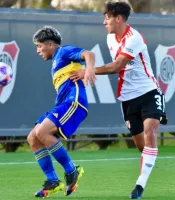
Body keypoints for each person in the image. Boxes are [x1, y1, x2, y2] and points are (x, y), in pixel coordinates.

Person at [70, 1, 167, 199]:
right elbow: (117, 68)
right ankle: (149, 160)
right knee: (142, 147)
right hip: (127, 98)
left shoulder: (134, 38)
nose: (104, 22)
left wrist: (89, 70)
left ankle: (140, 185)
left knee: (151, 132)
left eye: (107, 18)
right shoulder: (110, 38)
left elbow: (116, 67)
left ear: (118, 18)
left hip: (149, 91)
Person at [27, 26, 96, 198]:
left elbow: (89, 54)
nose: (38, 50)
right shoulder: (56, 63)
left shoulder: (63, 52)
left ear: (50, 44)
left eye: (39, 46)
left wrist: (89, 69)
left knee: (43, 132)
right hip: (63, 104)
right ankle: (53, 181)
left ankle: (72, 171)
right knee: (33, 137)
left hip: (75, 102)